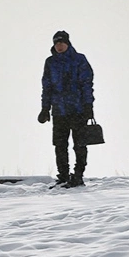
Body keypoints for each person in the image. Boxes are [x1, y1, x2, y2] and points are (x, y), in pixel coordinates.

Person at [38, 29, 95, 188]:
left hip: (78, 109)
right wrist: (45, 108)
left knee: (80, 144)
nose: (59, 45)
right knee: (59, 145)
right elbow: (46, 87)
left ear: (67, 43)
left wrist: (88, 105)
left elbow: (87, 84)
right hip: (59, 111)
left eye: (62, 42)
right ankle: (63, 176)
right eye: (56, 43)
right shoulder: (50, 62)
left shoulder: (79, 60)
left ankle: (78, 175)